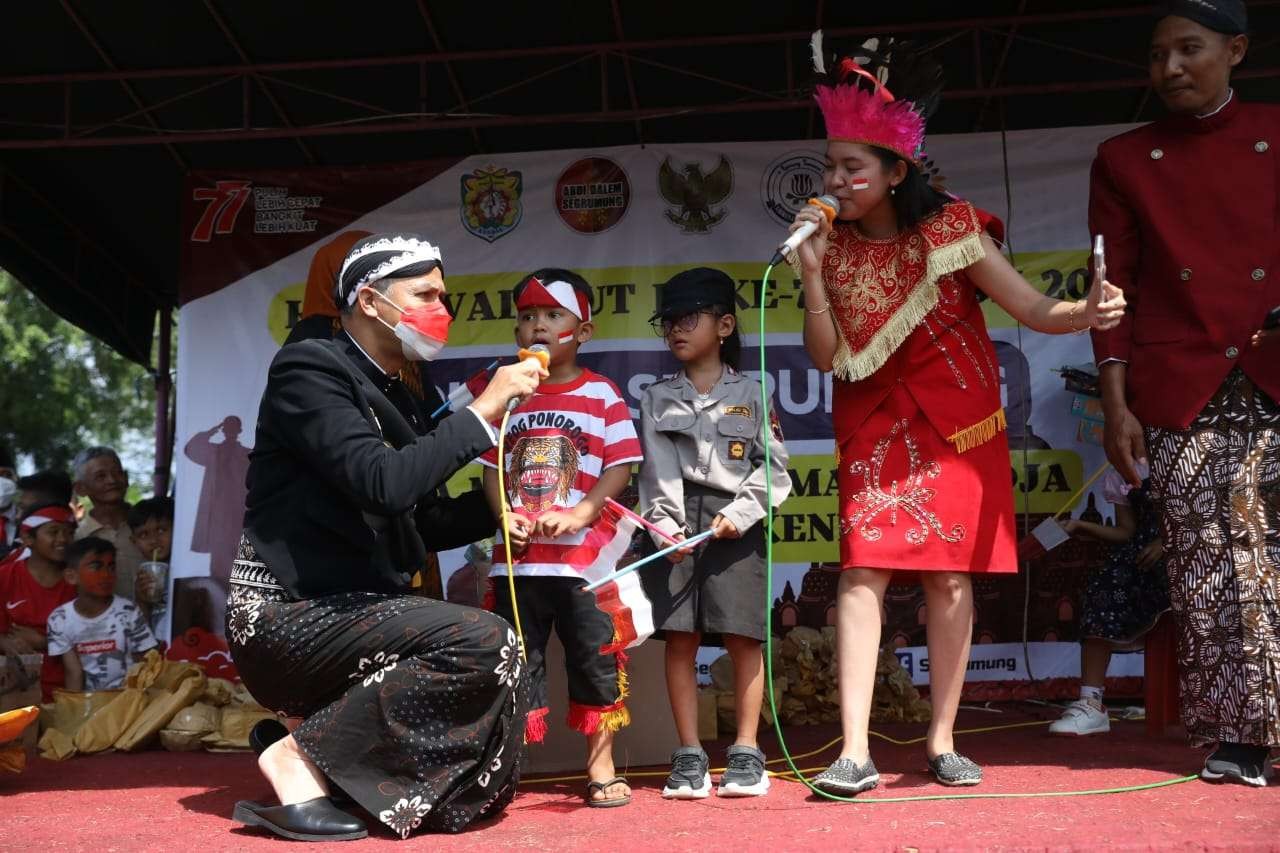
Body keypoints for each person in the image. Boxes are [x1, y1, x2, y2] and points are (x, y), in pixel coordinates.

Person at [791, 35, 1126, 794]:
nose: (836, 181)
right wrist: (813, 273)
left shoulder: (950, 230)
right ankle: (853, 750)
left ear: (895, 171)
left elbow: (1034, 308)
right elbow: (822, 354)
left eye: (853, 168)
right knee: (860, 570)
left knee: (948, 580)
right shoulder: (832, 248)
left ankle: (941, 739)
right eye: (830, 166)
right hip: (874, 419)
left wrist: (1089, 310)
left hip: (959, 426)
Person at [227, 232, 544, 841]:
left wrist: (496, 517)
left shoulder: (402, 389)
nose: (442, 311)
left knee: (501, 670)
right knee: (484, 640)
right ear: (370, 301)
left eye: (444, 297)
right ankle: (299, 758)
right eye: (425, 294)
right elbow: (381, 484)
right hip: (285, 614)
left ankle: (322, 759)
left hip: (356, 610)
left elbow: (418, 519)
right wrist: (482, 413)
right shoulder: (310, 367)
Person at [1089, 0, 1278, 787]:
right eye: (1158, 55)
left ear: (1235, 50)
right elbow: (1113, 286)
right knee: (1209, 564)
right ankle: (1239, 735)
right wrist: (1115, 401)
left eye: (1190, 50)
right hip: (1183, 383)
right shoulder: (1125, 157)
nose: (1170, 69)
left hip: (1274, 361)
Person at [480, 269, 642, 808]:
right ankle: (504, 772)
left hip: (583, 566)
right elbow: (489, 467)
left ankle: (600, 771)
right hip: (518, 566)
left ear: (584, 331)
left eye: (553, 316)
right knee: (514, 664)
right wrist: (504, 514)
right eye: (527, 317)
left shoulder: (600, 393)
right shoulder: (507, 395)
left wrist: (583, 513)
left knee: (594, 659)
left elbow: (621, 464)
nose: (538, 327)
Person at [638, 267, 792, 799]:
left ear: (724, 325)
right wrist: (664, 527)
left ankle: (747, 753)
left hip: (736, 526)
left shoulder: (753, 391)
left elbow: (775, 470)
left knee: (743, 638)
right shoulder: (656, 398)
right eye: (668, 323)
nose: (675, 330)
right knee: (680, 639)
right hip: (677, 526)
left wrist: (743, 514)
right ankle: (689, 756)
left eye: (688, 319)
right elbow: (656, 474)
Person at [1050, 463, 1169, 736]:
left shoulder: (1183, 455)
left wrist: (1167, 542)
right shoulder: (1121, 471)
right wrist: (1080, 525)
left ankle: (1189, 704)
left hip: (1188, 550)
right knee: (1101, 594)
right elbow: (1126, 530)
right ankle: (1091, 702)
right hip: (1139, 559)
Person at [47, 538, 157, 692]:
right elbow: (74, 673)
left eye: (111, 567)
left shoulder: (128, 611)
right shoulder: (59, 620)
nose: (106, 574)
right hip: (91, 704)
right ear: (71, 577)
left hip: (130, 699)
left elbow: (146, 663)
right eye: (96, 567)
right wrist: (76, 710)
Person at [0, 503, 77, 701]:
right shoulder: (5, 577)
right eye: (54, 531)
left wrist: (46, 642)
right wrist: (4, 642)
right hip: (12, 692)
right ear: (27, 538)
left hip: (66, 691)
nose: (63, 539)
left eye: (69, 532)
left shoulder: (79, 580)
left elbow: (94, 637)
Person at [72, 447, 145, 603]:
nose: (111, 480)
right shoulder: (77, 538)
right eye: (100, 476)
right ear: (81, 488)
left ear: (126, 478)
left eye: (117, 473)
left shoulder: (149, 528)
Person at [129, 497, 175, 624]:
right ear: (134, 542)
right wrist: (142, 600)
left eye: (161, 530)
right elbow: (142, 627)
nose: (153, 540)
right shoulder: (142, 577)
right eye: (143, 535)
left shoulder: (188, 569)